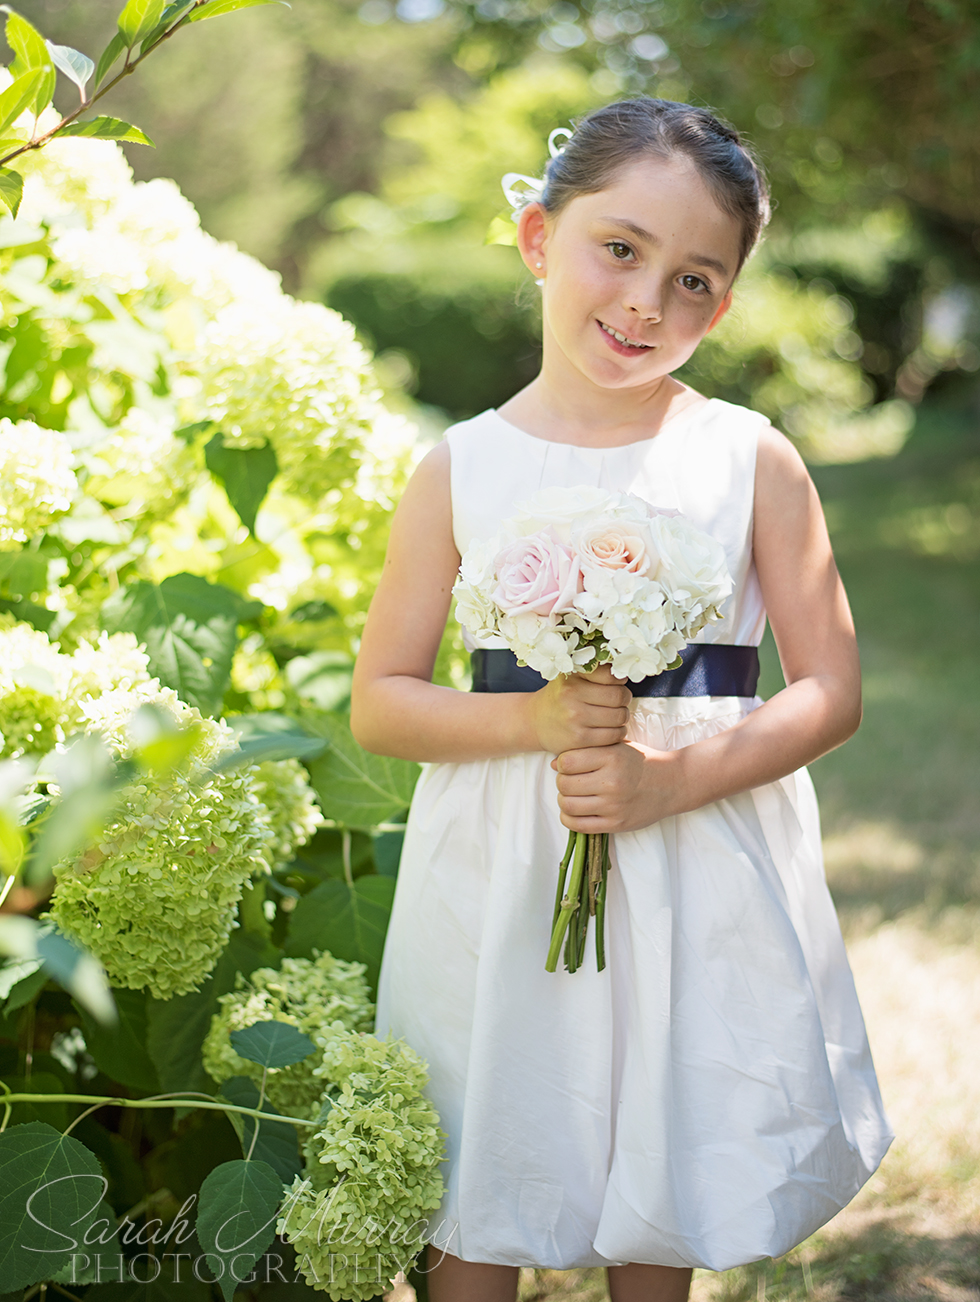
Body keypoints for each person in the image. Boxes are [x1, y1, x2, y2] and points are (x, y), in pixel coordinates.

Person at [350, 98, 892, 1302]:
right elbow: (381, 703)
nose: (649, 301)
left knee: (664, 1139)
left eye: (695, 279)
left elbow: (831, 688)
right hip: (506, 862)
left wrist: (667, 782)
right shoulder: (459, 468)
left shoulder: (750, 459)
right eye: (620, 249)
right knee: (484, 1152)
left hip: (689, 850)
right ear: (540, 238)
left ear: (726, 302)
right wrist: (530, 722)